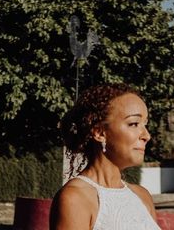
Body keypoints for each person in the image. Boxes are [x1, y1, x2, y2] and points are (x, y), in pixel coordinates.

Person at [50, 83, 160, 230]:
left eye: (145, 124)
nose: (146, 135)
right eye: (134, 124)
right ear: (100, 133)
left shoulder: (142, 196)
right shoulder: (76, 198)